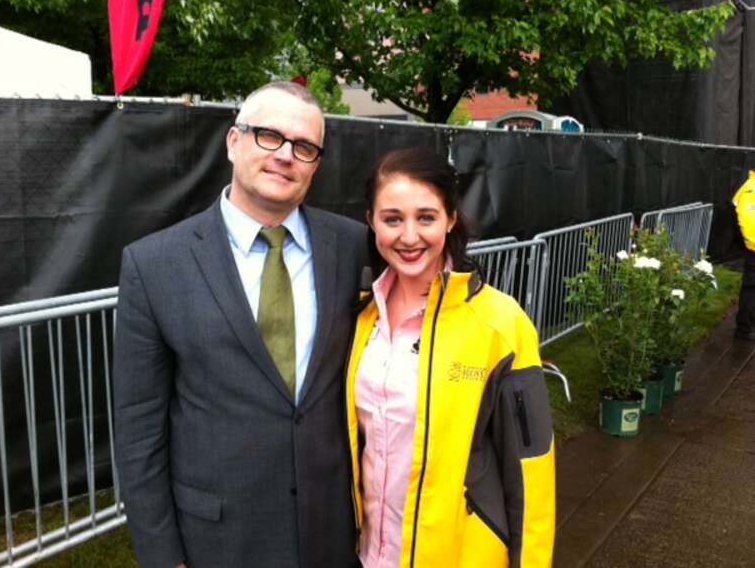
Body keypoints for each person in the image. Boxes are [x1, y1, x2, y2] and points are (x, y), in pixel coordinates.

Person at [113, 81, 368, 568]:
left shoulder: (353, 245)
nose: (285, 155)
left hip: (332, 533)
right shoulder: (154, 265)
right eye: (269, 136)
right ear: (234, 141)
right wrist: (163, 556)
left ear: (316, 163)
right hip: (218, 540)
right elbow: (138, 432)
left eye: (304, 147)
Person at [344, 147, 556, 568]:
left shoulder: (500, 323)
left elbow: (531, 471)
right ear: (371, 221)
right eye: (392, 219)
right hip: (369, 556)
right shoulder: (360, 314)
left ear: (451, 219)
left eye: (426, 217)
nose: (408, 236)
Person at [733, 168, 755, 340]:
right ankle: (744, 329)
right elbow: (749, 224)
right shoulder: (750, 189)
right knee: (751, 288)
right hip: (754, 249)